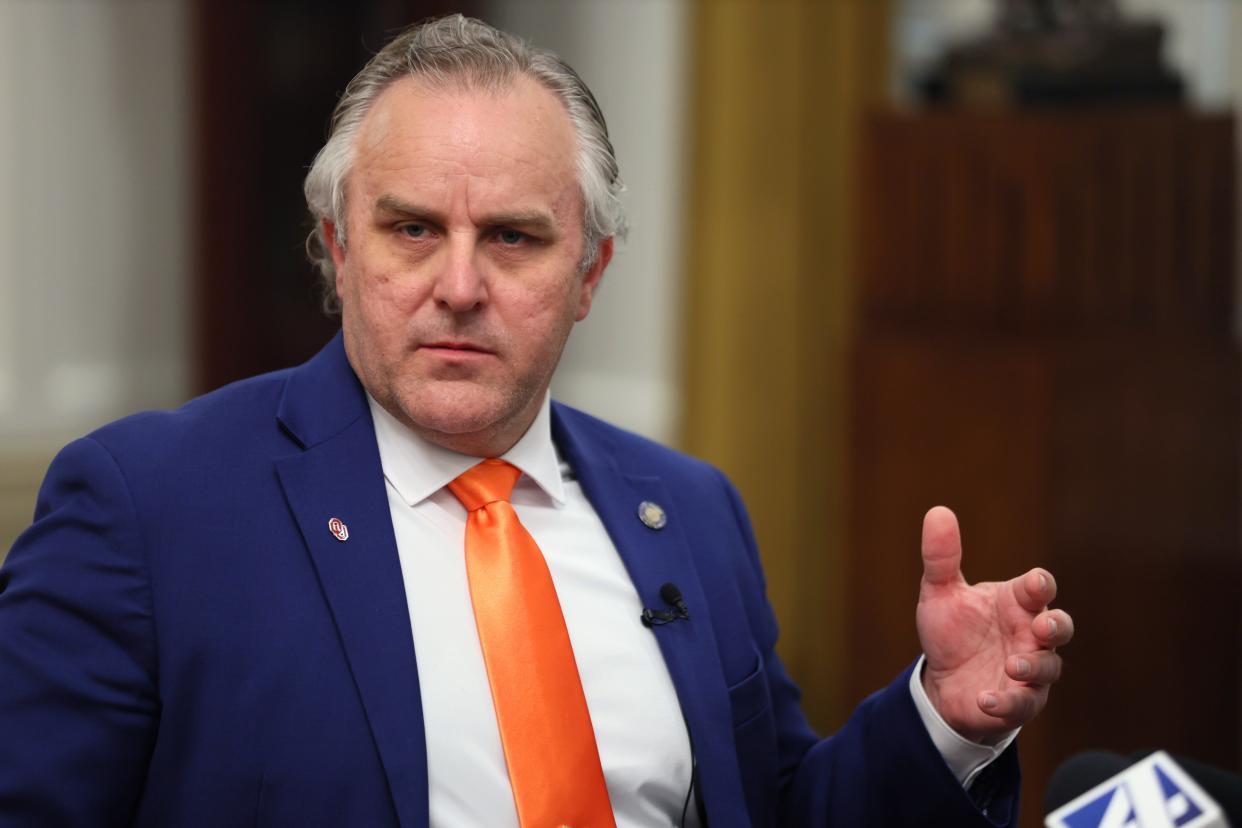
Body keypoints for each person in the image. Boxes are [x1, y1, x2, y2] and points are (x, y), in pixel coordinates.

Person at [0, 15, 1072, 828]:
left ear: (590, 273)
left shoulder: (689, 512)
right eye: (412, 228)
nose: (458, 285)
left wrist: (941, 719)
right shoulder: (148, 508)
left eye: (513, 239)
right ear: (336, 250)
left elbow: (782, 807)